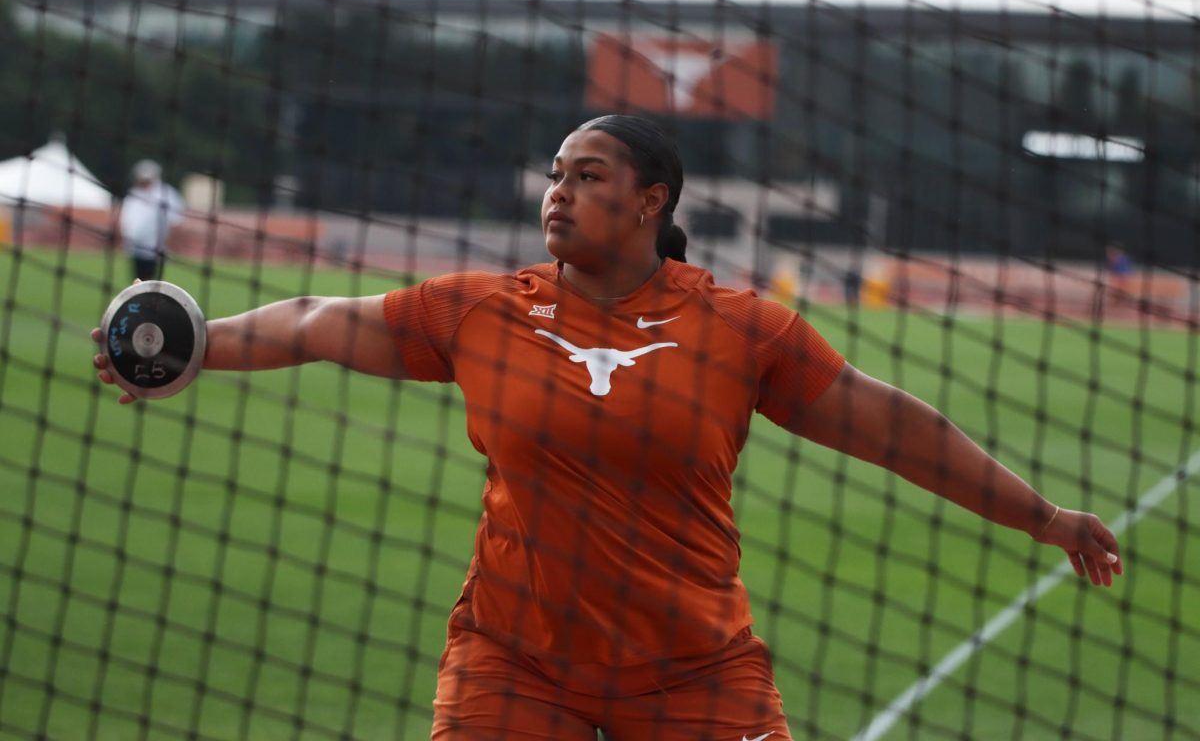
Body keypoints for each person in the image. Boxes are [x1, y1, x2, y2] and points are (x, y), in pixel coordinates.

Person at [92, 115, 1123, 740]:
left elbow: (892, 426)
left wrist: (1041, 515)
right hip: (514, 659)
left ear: (649, 201)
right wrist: (191, 344)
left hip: (695, 669)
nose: (560, 192)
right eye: (556, 173)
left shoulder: (740, 327)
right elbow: (322, 321)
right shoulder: (485, 306)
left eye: (588, 176)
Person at [118, 159, 184, 281]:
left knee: (152, 281)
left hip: (155, 248)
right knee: (137, 280)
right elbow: (127, 221)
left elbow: (176, 219)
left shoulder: (165, 194)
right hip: (135, 247)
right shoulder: (134, 195)